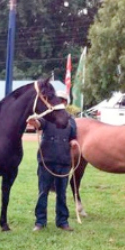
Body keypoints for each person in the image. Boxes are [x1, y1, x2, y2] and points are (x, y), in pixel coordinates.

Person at [28, 90, 78, 232]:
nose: (60, 103)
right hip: (47, 160)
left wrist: (74, 142)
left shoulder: (71, 120)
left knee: (62, 193)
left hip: (64, 161)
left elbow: (73, 137)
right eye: (58, 100)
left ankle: (62, 221)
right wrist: (33, 122)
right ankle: (40, 222)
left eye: (62, 100)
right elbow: (38, 124)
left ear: (65, 103)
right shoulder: (47, 117)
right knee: (43, 192)